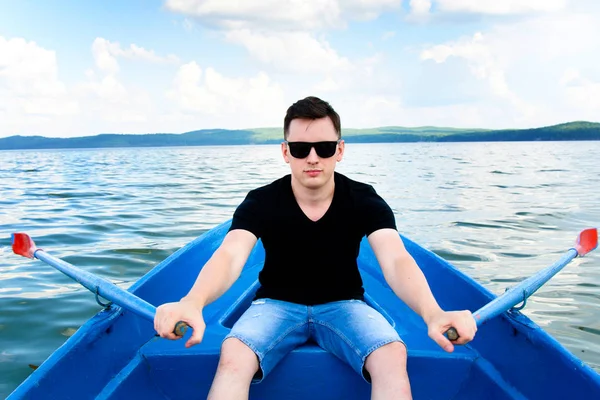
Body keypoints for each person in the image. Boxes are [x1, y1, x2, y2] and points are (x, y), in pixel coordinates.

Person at [154, 96, 477, 400]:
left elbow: (395, 258)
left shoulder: (364, 199)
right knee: (234, 353)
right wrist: (193, 302)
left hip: (345, 304)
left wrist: (433, 313)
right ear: (285, 151)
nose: (312, 157)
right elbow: (230, 254)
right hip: (275, 304)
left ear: (339, 150)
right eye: (300, 148)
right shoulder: (262, 200)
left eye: (323, 147)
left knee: (391, 353)